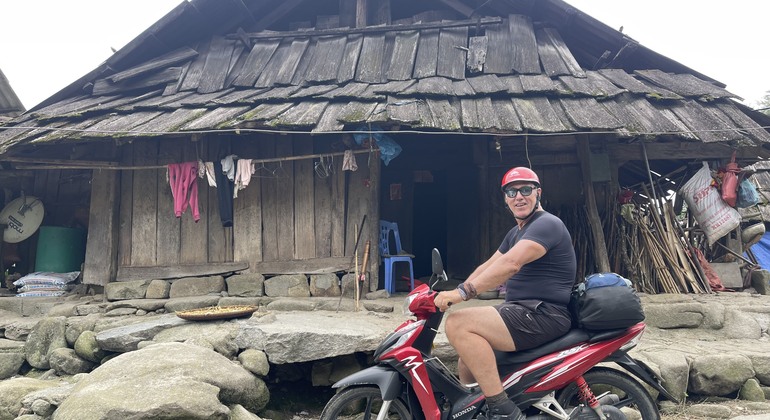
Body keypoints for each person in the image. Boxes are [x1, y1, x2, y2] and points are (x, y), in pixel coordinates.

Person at [434, 167, 576, 420]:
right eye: (512, 191)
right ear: (505, 198)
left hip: (544, 313)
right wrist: (455, 290)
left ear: (538, 193)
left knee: (458, 324)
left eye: (525, 189)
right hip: (523, 311)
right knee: (467, 358)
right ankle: (476, 411)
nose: (519, 196)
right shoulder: (516, 232)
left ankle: (502, 410)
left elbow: (510, 264)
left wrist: (463, 293)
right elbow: (488, 266)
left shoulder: (547, 224)